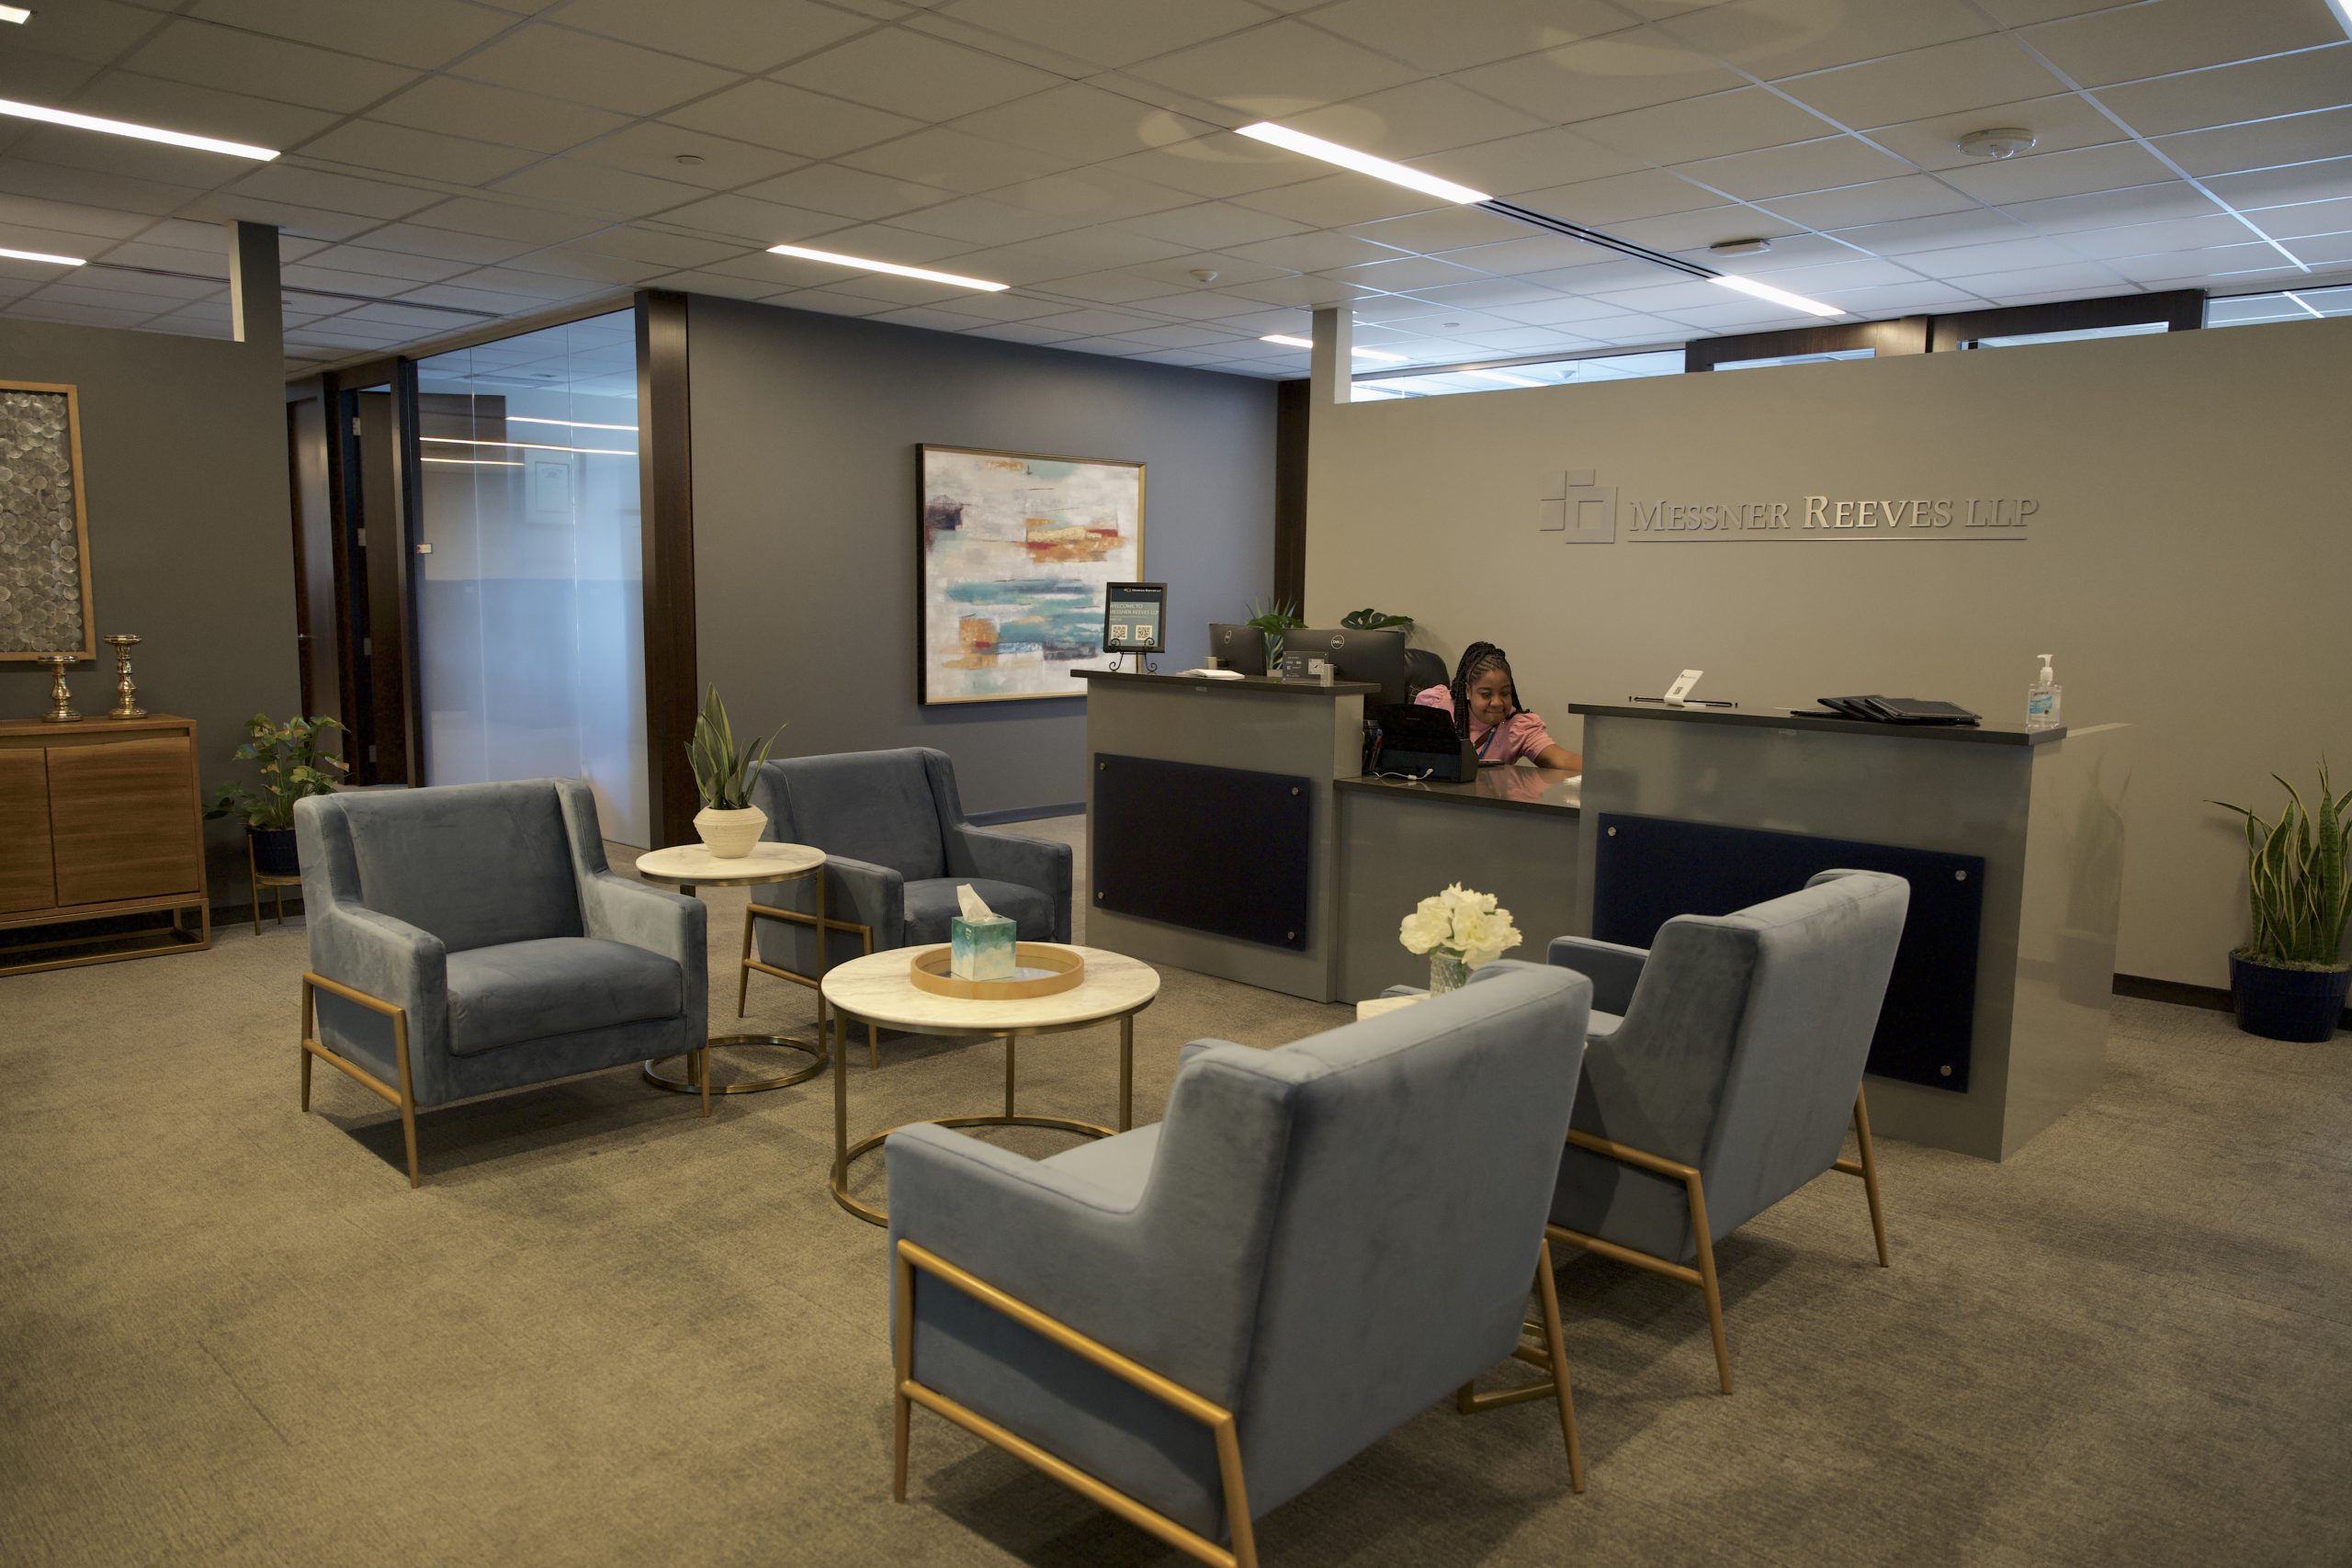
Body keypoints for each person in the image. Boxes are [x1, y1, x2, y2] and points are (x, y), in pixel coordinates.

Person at [1413, 641, 1582, 771]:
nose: (1497, 703)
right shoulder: (1436, 705)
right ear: (1468, 691)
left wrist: (1604, 771)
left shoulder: (1518, 727)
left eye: (1505, 693)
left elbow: (1562, 759)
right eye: (1486, 694)